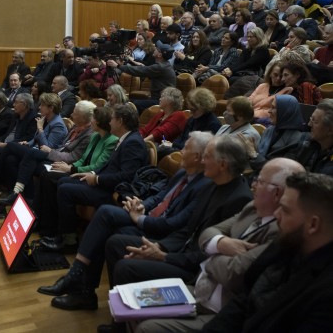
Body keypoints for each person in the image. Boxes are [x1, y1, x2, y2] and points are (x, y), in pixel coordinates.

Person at [37, 131, 214, 311]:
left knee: (106, 217)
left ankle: (78, 281)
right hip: (148, 216)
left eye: (186, 148)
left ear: (198, 157)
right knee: (105, 222)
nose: (180, 150)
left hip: (162, 231)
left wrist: (140, 219)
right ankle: (81, 287)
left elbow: (174, 223)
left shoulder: (205, 186)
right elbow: (160, 196)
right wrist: (142, 205)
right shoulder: (183, 173)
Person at [134, 158, 305, 333]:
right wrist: (221, 243)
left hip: (221, 311)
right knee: (133, 305)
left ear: (277, 193)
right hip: (200, 290)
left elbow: (233, 274)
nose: (253, 184)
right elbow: (209, 232)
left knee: (147, 327)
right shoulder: (252, 207)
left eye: (259, 181)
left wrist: (211, 256)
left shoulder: (282, 231)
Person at [103, 135, 252, 314]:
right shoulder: (214, 183)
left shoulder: (238, 198)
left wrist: (163, 256)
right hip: (179, 249)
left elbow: (209, 254)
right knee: (116, 243)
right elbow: (187, 229)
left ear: (222, 165)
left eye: (207, 156)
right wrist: (160, 246)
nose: (203, 161)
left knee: (126, 267)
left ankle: (123, 319)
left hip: (195, 269)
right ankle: (120, 311)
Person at [201, 172, 333, 333]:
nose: (276, 215)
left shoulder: (326, 295)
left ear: (313, 224)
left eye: (285, 210)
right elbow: (244, 301)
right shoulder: (284, 244)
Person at [38, 104, 148, 252]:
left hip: (112, 192)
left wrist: (96, 179)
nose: (110, 122)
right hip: (104, 182)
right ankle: (59, 231)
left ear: (120, 121)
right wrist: (93, 175)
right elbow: (110, 167)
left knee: (65, 189)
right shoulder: (126, 139)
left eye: (112, 119)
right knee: (63, 181)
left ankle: (69, 240)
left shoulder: (133, 142)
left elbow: (127, 176)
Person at [33, 106, 118, 237]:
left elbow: (98, 165)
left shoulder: (111, 141)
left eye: (94, 119)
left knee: (52, 178)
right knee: (46, 173)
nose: (92, 121)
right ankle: (40, 219)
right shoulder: (95, 136)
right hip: (79, 170)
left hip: (90, 175)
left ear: (100, 122)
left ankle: (52, 227)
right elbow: (83, 159)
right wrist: (68, 166)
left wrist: (71, 169)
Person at [0, 100, 95, 204]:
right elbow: (62, 146)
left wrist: (49, 149)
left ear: (83, 118)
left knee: (15, 147)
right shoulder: (76, 126)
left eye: (75, 113)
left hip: (61, 160)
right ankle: (24, 197)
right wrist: (29, 144)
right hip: (50, 153)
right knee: (12, 159)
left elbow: (72, 157)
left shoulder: (87, 135)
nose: (71, 114)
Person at [0, 92, 66, 189]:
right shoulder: (46, 119)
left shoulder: (58, 125)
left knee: (11, 146)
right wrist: (27, 143)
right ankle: (14, 191)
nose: (39, 107)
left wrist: (40, 129)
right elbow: (36, 139)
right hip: (34, 150)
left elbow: (48, 147)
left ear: (51, 108)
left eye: (42, 105)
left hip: (45, 156)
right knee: (11, 159)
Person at [107, 43, 176, 115]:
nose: (154, 50)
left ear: (159, 55)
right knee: (130, 102)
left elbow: (139, 71)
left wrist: (118, 66)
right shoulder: (165, 65)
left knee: (133, 104)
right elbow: (145, 70)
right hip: (160, 98)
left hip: (160, 100)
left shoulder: (160, 67)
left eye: (157, 50)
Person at [245, 95, 304, 173]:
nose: (269, 111)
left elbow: (281, 171)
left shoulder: (297, 139)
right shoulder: (269, 130)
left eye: (273, 108)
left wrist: (254, 154)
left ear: (285, 111)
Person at [165, 88, 221, 153]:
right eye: (190, 109)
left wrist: (173, 145)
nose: (191, 113)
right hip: (182, 150)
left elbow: (199, 148)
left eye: (193, 110)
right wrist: (172, 145)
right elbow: (181, 137)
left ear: (204, 107)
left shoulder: (213, 124)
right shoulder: (192, 119)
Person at [290, 99, 333, 176]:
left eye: (315, 121)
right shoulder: (306, 141)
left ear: (330, 130)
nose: (309, 124)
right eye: (311, 119)